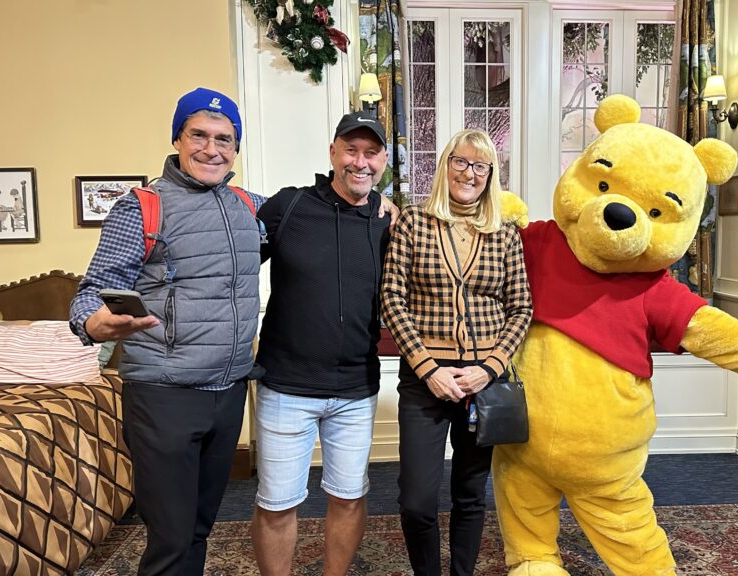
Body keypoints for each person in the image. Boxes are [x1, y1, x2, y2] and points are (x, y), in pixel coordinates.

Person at [69, 87, 265, 576]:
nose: (211, 148)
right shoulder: (140, 208)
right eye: (198, 135)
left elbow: (314, 218)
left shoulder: (249, 207)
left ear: (236, 148)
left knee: (199, 528)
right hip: (163, 395)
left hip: (227, 393)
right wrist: (96, 323)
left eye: (224, 139)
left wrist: (379, 208)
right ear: (177, 138)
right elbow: (91, 291)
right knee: (171, 539)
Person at [380, 129, 533, 576]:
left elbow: (521, 307)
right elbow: (392, 298)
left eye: (480, 166)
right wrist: (428, 369)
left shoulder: (504, 234)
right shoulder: (413, 222)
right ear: (446, 166)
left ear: (491, 176)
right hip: (425, 380)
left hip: (482, 383)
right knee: (416, 501)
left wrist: (489, 367)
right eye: (461, 162)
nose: (469, 173)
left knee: (470, 493)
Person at [250, 111, 394, 576]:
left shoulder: (389, 222)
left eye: (371, 153)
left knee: (350, 497)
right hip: (284, 387)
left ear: (384, 161)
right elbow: (230, 262)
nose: (361, 162)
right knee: (276, 504)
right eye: (351, 150)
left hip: (355, 389)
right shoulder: (288, 207)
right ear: (333, 152)